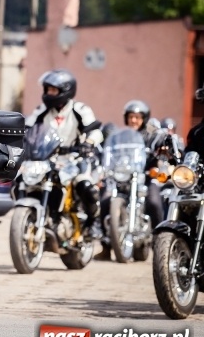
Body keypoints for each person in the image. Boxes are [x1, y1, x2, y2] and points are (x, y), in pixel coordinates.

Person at [25, 69, 103, 238]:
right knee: (23, 181)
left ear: (66, 90)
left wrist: (88, 143)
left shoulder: (80, 109)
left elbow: (96, 132)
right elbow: (27, 130)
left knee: (86, 186)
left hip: (74, 158)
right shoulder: (42, 110)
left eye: (53, 90)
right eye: (47, 89)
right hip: (47, 160)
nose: (49, 93)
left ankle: (93, 222)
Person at [96, 99, 164, 261]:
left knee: (154, 202)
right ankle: (106, 246)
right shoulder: (121, 137)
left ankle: (160, 243)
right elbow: (110, 151)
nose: (133, 120)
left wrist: (162, 144)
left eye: (137, 117)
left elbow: (160, 143)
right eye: (131, 116)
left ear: (144, 119)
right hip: (122, 178)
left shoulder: (151, 135)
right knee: (105, 201)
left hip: (145, 178)